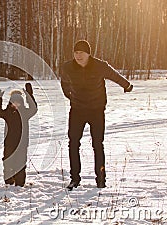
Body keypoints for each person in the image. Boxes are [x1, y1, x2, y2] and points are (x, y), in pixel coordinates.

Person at [60, 40, 133, 190]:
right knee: (73, 143)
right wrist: (71, 96)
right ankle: (75, 179)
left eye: (81, 53)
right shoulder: (67, 67)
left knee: (97, 144)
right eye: (76, 53)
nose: (78, 56)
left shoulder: (100, 66)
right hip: (77, 110)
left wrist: (126, 85)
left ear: (88, 54)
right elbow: (64, 84)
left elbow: (114, 75)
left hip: (96, 110)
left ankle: (101, 180)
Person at [0, 83, 37, 187]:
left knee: (20, 164)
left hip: (22, 144)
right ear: (10, 103)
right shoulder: (7, 113)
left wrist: (29, 94)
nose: (16, 106)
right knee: (8, 162)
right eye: (14, 103)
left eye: (19, 103)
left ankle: (19, 183)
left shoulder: (25, 113)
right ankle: (8, 183)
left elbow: (34, 108)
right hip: (9, 143)